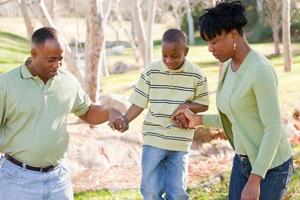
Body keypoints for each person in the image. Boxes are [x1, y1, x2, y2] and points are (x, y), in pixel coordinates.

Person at [172, 1, 293, 200]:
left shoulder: (260, 70)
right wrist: (198, 120)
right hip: (242, 163)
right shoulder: (229, 67)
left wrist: (255, 180)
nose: (210, 48)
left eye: (214, 41)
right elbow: (236, 116)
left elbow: (273, 128)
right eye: (208, 43)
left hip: (271, 167)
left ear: (234, 34)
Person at [0, 27, 125, 200]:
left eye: (60, 59)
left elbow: (87, 111)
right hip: (17, 180)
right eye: (51, 59)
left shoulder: (67, 82)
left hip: (58, 179)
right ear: (34, 53)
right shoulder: (6, 84)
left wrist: (109, 112)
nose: (57, 65)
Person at [113, 28, 209, 200]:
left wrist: (185, 106)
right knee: (150, 191)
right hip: (154, 138)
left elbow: (203, 105)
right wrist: (126, 119)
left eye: (175, 56)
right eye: (164, 55)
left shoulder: (197, 75)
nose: (168, 60)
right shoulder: (151, 71)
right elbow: (139, 102)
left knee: (177, 193)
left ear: (185, 52)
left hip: (180, 141)